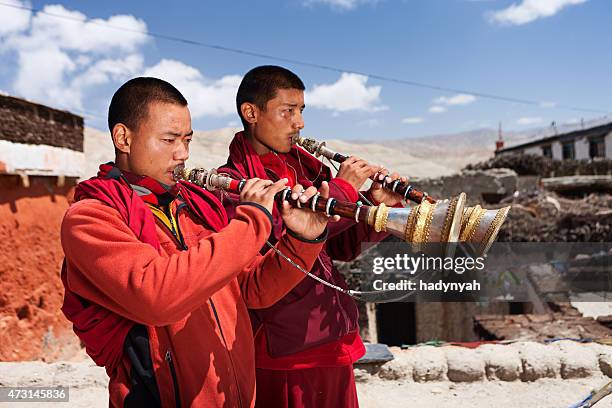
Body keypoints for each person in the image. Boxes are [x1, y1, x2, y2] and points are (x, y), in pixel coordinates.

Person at [60, 77, 333, 407]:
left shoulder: (197, 205)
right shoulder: (92, 217)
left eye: (187, 140)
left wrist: (303, 238)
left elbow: (255, 289)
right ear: (124, 138)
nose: (183, 153)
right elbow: (158, 296)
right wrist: (253, 220)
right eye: (169, 139)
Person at [218, 65, 406, 408]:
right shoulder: (233, 184)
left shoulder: (302, 169)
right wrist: (344, 189)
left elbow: (340, 247)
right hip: (284, 344)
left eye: (301, 111)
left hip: (330, 333)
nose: (299, 123)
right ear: (251, 113)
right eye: (287, 111)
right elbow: (282, 241)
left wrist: (375, 208)